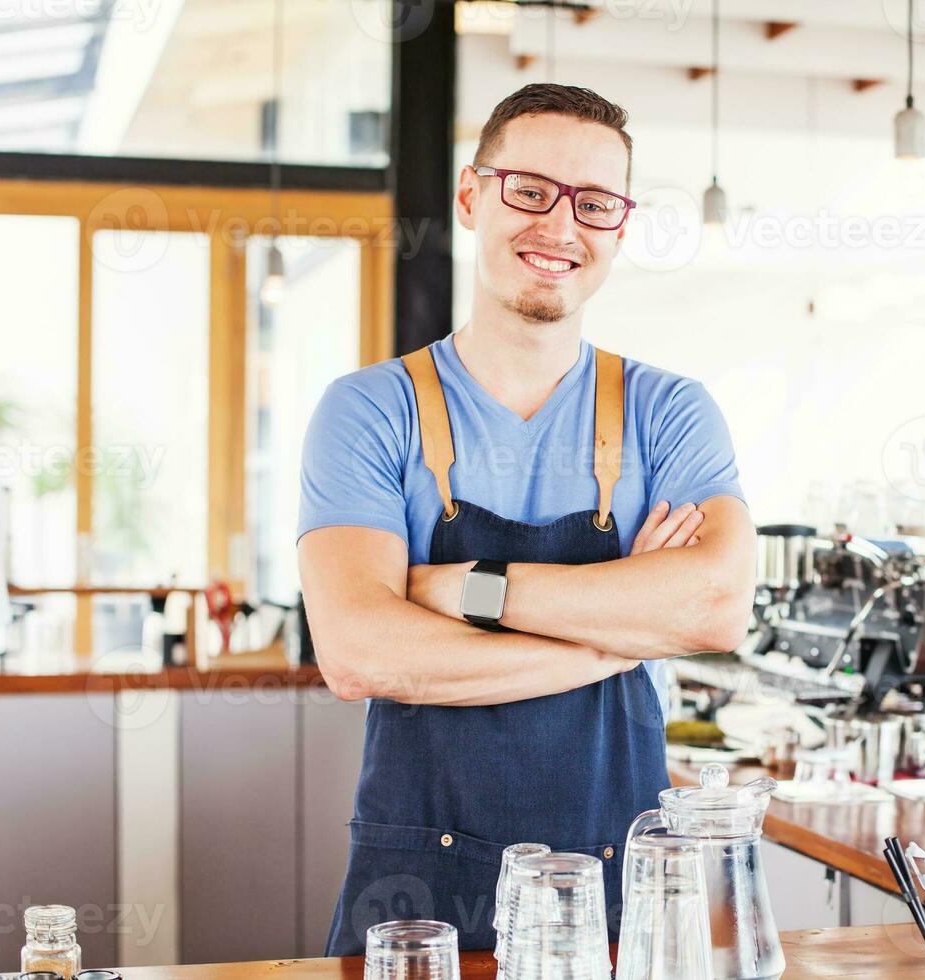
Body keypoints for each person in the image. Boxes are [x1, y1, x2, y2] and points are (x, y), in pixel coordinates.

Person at [297, 83, 755, 954]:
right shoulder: (370, 411)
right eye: (530, 190)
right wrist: (622, 632)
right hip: (418, 898)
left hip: (620, 886)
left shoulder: (670, 412)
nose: (560, 226)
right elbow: (359, 653)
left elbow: (716, 608)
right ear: (471, 196)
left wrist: (461, 593)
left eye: (594, 203)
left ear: (619, 228)